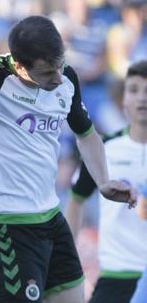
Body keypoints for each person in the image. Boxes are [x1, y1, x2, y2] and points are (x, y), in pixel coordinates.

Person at [0, 15, 136, 303]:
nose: (58, 78)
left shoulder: (67, 78)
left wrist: (103, 181)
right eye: (48, 73)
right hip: (3, 220)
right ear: (20, 65)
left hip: (49, 215)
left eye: (60, 65)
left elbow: (87, 135)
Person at [65, 60, 147, 303]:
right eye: (134, 90)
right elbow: (76, 200)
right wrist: (66, 261)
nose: (142, 98)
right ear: (123, 100)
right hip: (116, 275)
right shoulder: (103, 149)